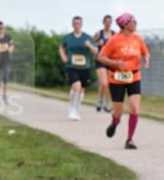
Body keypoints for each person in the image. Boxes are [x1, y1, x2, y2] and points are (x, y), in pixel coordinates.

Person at [97, 13, 150, 149]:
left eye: (135, 21)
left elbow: (145, 52)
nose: (136, 23)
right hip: (117, 79)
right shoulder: (115, 40)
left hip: (134, 77)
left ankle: (130, 140)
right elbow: (101, 57)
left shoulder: (137, 39)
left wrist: (146, 59)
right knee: (119, 112)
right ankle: (115, 122)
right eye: (133, 21)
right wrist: (115, 63)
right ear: (125, 24)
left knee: (134, 107)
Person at [59, 16, 98, 120]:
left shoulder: (87, 37)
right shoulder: (67, 37)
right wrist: (63, 56)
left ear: (82, 24)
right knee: (77, 86)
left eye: (79, 23)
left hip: (85, 67)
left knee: (81, 90)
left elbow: (95, 51)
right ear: (72, 24)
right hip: (71, 66)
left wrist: (89, 46)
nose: (77, 25)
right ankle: (72, 110)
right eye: (75, 23)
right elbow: (61, 47)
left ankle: (75, 109)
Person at [93, 14, 116, 113]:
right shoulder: (99, 33)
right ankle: (108, 104)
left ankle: (100, 100)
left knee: (106, 84)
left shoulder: (114, 34)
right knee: (104, 83)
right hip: (100, 60)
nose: (108, 23)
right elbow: (92, 44)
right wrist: (98, 43)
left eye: (109, 22)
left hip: (110, 61)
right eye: (106, 21)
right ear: (103, 22)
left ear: (111, 23)